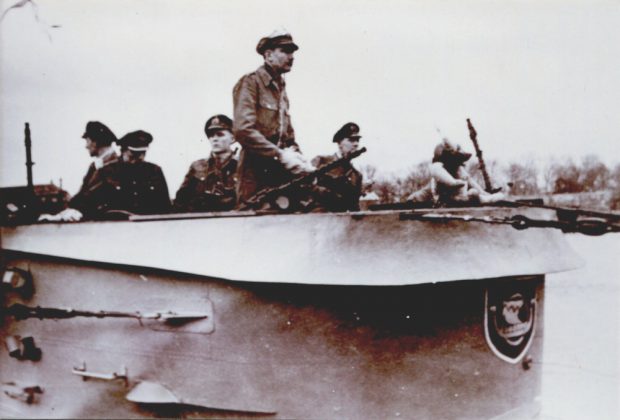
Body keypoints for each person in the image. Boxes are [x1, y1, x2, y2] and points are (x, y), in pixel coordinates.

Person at [232, 29, 314, 206]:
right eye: (285, 51)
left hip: (280, 177)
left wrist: (301, 162)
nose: (291, 57)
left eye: (292, 52)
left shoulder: (281, 89)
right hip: (254, 176)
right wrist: (280, 155)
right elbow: (243, 130)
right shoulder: (251, 83)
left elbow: (288, 137)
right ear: (268, 55)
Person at [78, 130, 172, 217]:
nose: (138, 159)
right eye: (133, 155)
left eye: (142, 154)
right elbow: (86, 199)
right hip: (116, 228)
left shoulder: (154, 171)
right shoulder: (107, 172)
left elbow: (166, 206)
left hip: (149, 228)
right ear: (123, 151)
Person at [39, 121, 119, 222]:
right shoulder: (96, 165)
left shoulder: (115, 165)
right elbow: (83, 194)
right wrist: (66, 211)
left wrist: (77, 211)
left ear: (95, 143)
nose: (86, 146)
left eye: (87, 141)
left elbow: (99, 197)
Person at [408, 138, 504, 206]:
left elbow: (470, 182)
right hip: (424, 199)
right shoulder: (439, 170)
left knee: (474, 194)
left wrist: (486, 195)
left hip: (450, 199)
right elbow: (449, 183)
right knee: (416, 198)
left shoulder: (458, 170)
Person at [173, 115, 238, 212]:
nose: (214, 139)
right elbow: (181, 201)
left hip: (235, 222)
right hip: (202, 222)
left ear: (233, 138)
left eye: (220, 134)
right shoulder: (197, 167)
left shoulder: (242, 166)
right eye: (211, 135)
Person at [311, 122, 364, 212]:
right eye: (351, 140)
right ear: (339, 143)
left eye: (357, 140)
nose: (356, 144)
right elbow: (305, 188)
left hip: (341, 222)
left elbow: (354, 208)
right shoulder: (321, 161)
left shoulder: (356, 175)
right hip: (315, 218)